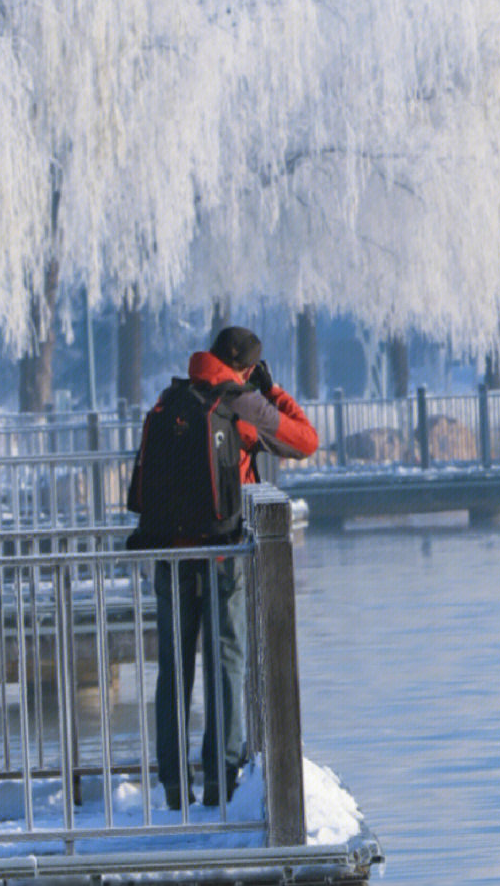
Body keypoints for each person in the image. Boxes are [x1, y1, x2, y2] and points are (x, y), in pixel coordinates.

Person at [148, 325, 318, 811]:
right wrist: (271, 389)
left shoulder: (173, 397)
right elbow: (305, 440)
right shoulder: (244, 404)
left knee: (173, 668)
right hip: (222, 553)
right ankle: (221, 780)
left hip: (171, 553)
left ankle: (175, 785)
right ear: (247, 366)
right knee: (226, 661)